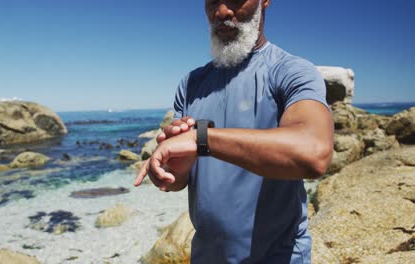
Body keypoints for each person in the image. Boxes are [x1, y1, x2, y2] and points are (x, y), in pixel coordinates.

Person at [134, 0, 334, 263]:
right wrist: (173, 170)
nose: (221, 11)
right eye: (212, 1)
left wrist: (201, 138)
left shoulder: (291, 71)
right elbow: (179, 181)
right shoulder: (192, 83)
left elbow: (314, 154)